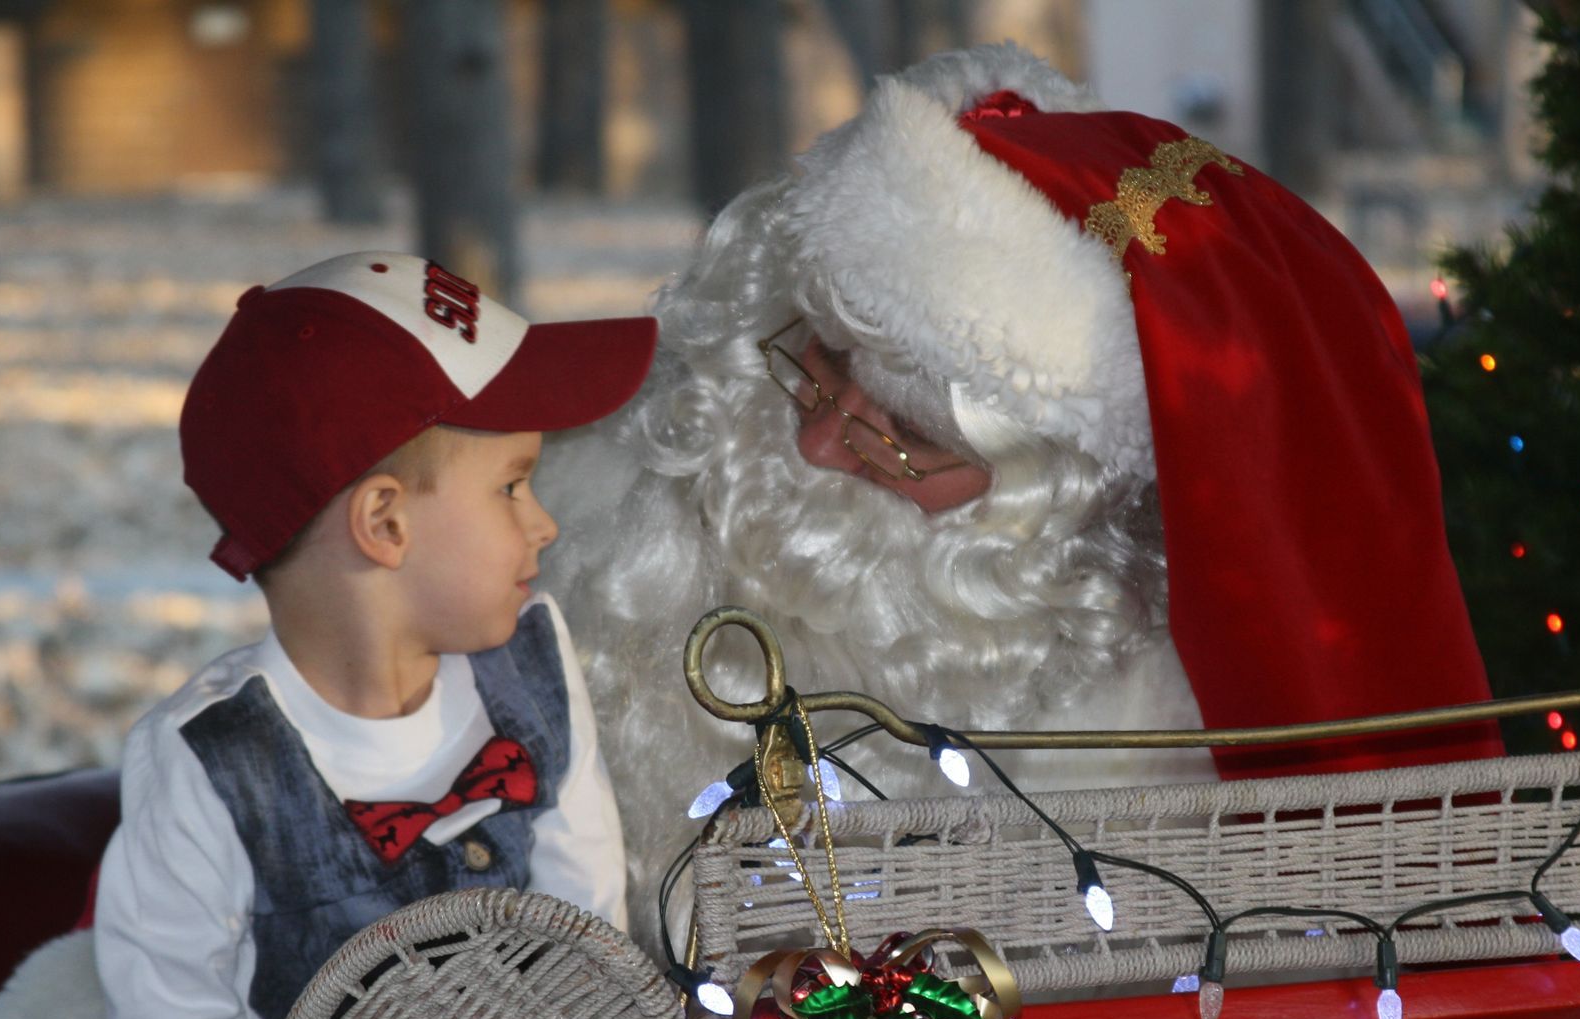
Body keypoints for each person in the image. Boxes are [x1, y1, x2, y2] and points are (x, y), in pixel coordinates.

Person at [537, 43, 1502, 944]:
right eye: (822, 363)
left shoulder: (1138, 748)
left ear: (1051, 502)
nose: (818, 443)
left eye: (905, 438)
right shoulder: (579, 522)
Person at [84, 251, 657, 1019]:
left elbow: (586, 926)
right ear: (385, 522)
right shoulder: (210, 762)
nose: (545, 524)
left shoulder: (532, 665)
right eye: (513, 486)